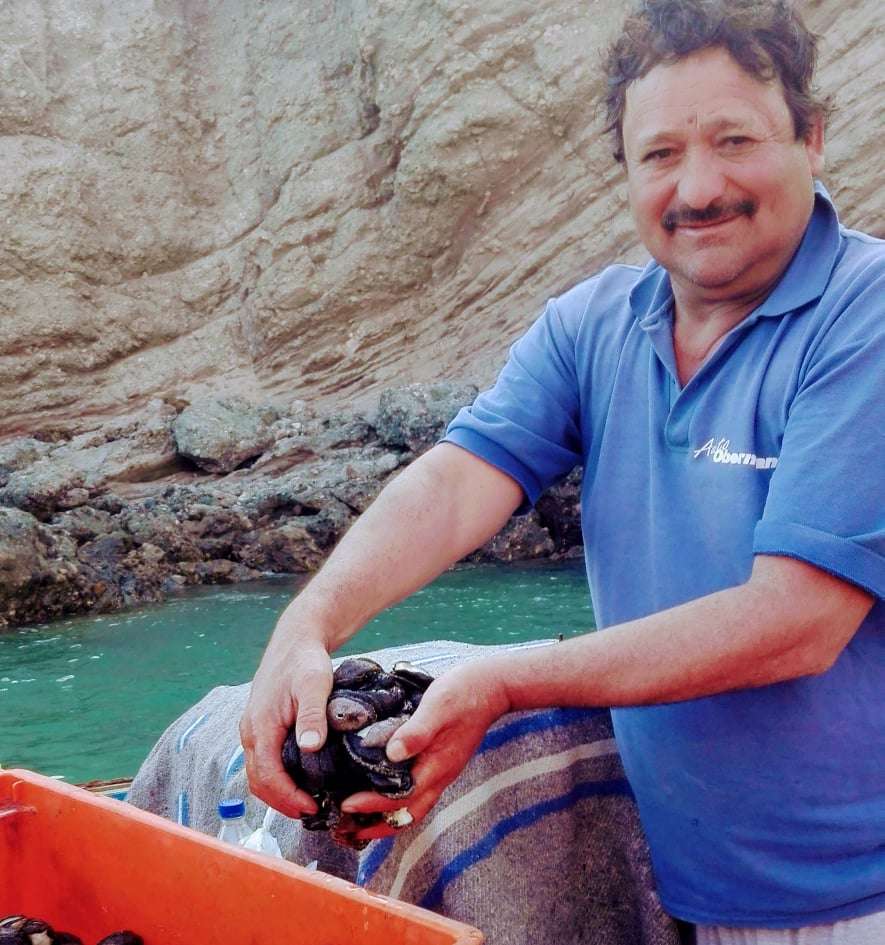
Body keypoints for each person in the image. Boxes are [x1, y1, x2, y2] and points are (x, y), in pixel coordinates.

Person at [240, 0, 884, 941]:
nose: (697, 187)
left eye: (733, 139)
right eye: (659, 153)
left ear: (811, 137)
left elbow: (794, 622)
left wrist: (505, 681)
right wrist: (308, 620)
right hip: (704, 891)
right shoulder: (595, 324)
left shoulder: (863, 317)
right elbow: (456, 482)